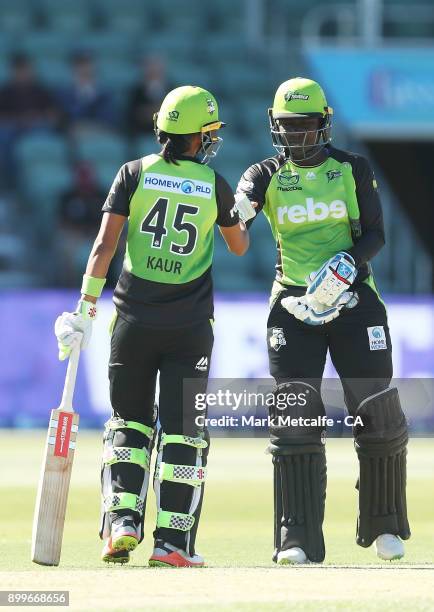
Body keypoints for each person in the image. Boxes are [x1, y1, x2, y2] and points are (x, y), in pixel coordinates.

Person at [54, 86, 249, 567]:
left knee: (129, 423)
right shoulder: (214, 183)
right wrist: (243, 212)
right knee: (184, 434)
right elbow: (239, 246)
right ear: (200, 137)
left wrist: (84, 309)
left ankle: (121, 524)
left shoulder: (133, 172)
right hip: (189, 327)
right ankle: (172, 545)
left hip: (131, 320)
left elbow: (103, 247)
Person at [236, 77, 410, 564]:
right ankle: (297, 538)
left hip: (354, 299)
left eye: (307, 126)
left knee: (376, 409)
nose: (297, 135)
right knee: (294, 414)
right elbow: (237, 221)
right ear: (275, 126)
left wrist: (344, 270)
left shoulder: (352, 169)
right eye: (289, 126)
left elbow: (374, 235)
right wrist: (238, 209)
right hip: (293, 305)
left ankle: (384, 526)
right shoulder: (264, 173)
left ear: (324, 125)